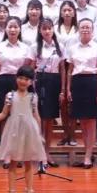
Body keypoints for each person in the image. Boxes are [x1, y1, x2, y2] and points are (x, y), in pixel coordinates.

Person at [0, 66, 46, 193]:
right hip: (14, 131)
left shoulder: (33, 97)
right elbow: (4, 113)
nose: (23, 81)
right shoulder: (10, 96)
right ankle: (11, 192)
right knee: (13, 162)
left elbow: (36, 116)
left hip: (29, 131)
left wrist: (39, 133)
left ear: (31, 82)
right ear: (16, 79)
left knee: (28, 162)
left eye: (26, 79)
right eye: (20, 78)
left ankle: (29, 191)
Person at [66, 18, 97, 168]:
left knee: (91, 121)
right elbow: (69, 71)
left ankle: (88, 156)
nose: (85, 30)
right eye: (82, 27)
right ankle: (87, 153)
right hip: (77, 84)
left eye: (88, 27)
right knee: (82, 122)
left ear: (92, 30)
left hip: (92, 83)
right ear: (78, 29)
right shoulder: (72, 48)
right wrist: (68, 89)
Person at [0, 17, 33, 151]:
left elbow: (28, 70)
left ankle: (18, 146)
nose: (13, 29)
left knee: (19, 114)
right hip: (3, 81)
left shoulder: (26, 48)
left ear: (20, 29)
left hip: (20, 82)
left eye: (15, 27)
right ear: (5, 29)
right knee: (4, 113)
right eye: (10, 27)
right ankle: (5, 146)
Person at [33, 18, 64, 167]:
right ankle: (39, 153)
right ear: (40, 31)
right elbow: (31, 68)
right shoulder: (34, 47)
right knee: (39, 118)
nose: (47, 31)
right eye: (44, 29)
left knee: (50, 119)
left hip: (54, 81)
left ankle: (47, 152)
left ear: (53, 29)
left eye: (49, 28)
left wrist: (63, 89)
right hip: (40, 81)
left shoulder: (59, 47)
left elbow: (63, 69)